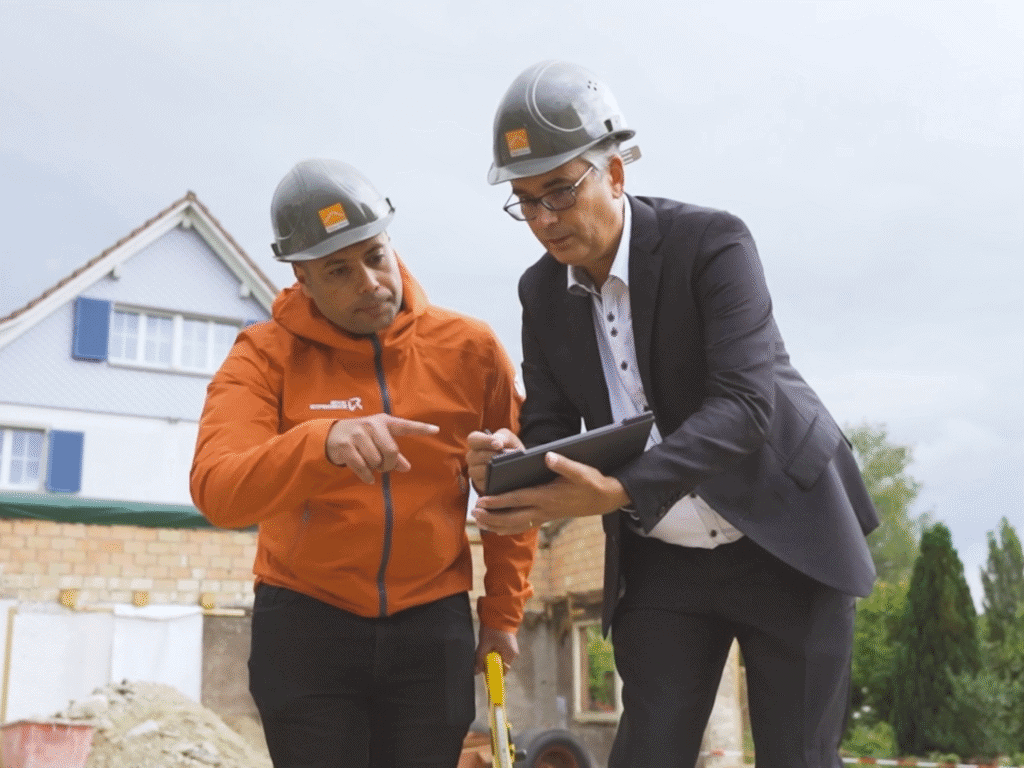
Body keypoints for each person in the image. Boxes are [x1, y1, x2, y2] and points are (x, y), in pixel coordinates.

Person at [467, 61, 879, 768]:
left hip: (786, 531)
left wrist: (623, 487)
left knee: (799, 758)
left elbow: (746, 407)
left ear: (615, 174)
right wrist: (510, 462)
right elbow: (555, 426)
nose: (544, 219)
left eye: (560, 192)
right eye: (526, 201)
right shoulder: (540, 293)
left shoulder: (713, 244)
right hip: (665, 559)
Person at [191, 158, 537, 768]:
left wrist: (502, 613)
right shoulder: (263, 356)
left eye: (376, 256)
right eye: (339, 271)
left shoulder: (472, 349)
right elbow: (218, 489)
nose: (371, 283)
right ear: (301, 277)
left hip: (432, 625)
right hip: (305, 624)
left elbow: (516, 492)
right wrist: (321, 442)